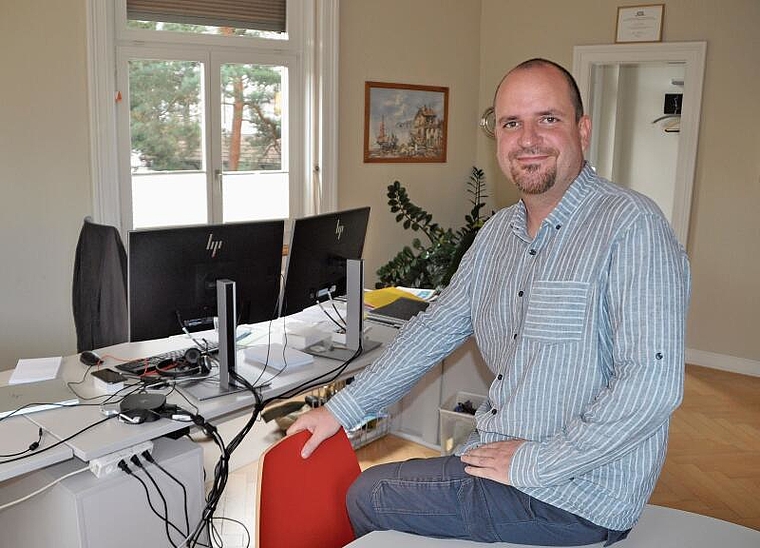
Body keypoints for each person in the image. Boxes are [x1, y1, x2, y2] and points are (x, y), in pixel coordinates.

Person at [287, 58, 691, 546]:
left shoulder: (632, 226)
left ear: (582, 130)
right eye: (511, 123)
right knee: (394, 482)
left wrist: (535, 462)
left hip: (575, 494)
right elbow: (433, 330)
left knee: (369, 493)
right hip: (501, 459)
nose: (527, 139)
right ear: (497, 137)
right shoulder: (499, 233)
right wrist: (341, 410)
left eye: (548, 119)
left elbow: (652, 383)